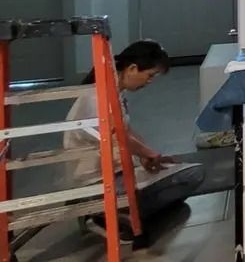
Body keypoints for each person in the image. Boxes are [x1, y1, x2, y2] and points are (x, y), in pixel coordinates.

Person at [64, 40, 204, 242]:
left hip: (117, 173)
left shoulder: (114, 92)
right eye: (149, 75)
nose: (149, 82)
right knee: (189, 176)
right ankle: (105, 212)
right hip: (97, 182)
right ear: (132, 69)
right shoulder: (96, 97)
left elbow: (126, 131)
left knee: (190, 173)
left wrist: (146, 157)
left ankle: (120, 213)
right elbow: (118, 137)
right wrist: (147, 153)